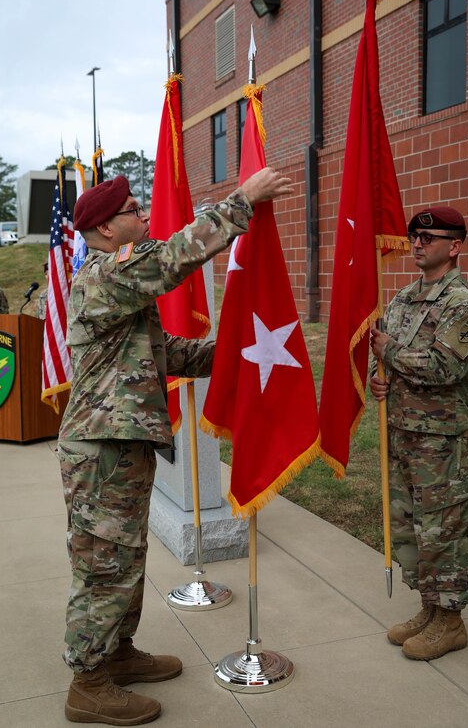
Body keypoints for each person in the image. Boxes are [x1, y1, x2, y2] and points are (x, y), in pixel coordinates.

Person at [58, 169, 293, 725]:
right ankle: (87, 682)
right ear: (107, 229)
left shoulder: (117, 287)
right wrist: (242, 203)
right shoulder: (103, 278)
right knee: (102, 568)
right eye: (134, 211)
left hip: (120, 447)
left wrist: (245, 348)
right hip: (101, 452)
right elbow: (172, 261)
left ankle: (116, 654)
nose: (144, 216)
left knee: (126, 558)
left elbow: (169, 355)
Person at [370, 206, 468, 661]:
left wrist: (391, 352)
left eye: (429, 238)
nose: (417, 244)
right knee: (412, 527)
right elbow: (381, 354)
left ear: (454, 246)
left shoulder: (463, 304)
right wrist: (376, 375)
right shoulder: (403, 298)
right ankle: (429, 607)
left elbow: (445, 366)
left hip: (441, 441)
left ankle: (451, 621)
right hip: (403, 433)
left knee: (443, 528)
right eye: (414, 237)